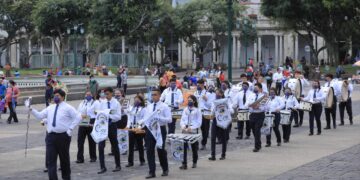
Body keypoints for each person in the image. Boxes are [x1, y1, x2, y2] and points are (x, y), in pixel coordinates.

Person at [29, 89, 83, 180]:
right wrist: (31, 109)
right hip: (51, 137)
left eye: (57, 95)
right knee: (51, 161)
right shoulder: (50, 107)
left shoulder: (68, 107)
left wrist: (70, 129)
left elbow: (78, 117)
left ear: (62, 97)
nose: (55, 97)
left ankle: (66, 177)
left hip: (63, 136)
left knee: (64, 160)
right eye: (54, 96)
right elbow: (39, 116)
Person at [143, 88, 171, 179]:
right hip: (150, 130)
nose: (153, 96)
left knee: (160, 150)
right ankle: (152, 172)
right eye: (152, 95)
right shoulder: (149, 106)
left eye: (155, 94)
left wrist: (159, 118)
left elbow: (169, 119)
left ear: (159, 95)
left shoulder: (164, 106)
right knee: (149, 150)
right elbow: (146, 118)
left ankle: (165, 169)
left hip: (160, 129)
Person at [96, 87, 122, 174]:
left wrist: (108, 115)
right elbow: (99, 113)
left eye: (107, 94)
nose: (106, 96)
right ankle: (102, 167)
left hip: (112, 126)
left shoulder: (116, 103)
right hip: (103, 126)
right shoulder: (102, 103)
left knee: (115, 145)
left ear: (111, 93)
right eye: (105, 94)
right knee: (100, 146)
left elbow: (118, 116)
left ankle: (118, 165)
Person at [208, 89, 233, 160]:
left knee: (224, 137)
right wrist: (215, 109)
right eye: (216, 93)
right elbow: (212, 113)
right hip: (216, 120)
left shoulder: (227, 101)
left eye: (218, 93)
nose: (217, 94)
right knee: (213, 137)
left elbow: (232, 110)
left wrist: (226, 108)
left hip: (224, 120)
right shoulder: (214, 102)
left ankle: (223, 154)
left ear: (221, 94)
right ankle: (213, 155)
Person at [179, 95, 201, 169]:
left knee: (194, 147)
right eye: (188, 100)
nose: (189, 102)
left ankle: (194, 162)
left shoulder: (197, 110)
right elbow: (182, 119)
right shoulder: (185, 109)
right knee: (183, 147)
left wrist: (191, 127)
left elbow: (199, 122)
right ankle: (184, 163)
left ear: (194, 101)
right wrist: (183, 126)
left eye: (190, 101)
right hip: (185, 130)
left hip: (193, 131)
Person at [76, 91, 97, 164]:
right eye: (87, 94)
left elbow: (97, 112)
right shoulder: (82, 103)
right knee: (80, 141)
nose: (88, 96)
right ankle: (80, 158)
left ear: (92, 95)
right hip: (83, 120)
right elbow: (78, 112)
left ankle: (93, 157)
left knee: (91, 141)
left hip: (91, 121)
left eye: (89, 95)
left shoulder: (95, 102)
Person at [194, 79, 215, 150]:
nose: (198, 86)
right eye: (197, 84)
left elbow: (211, 105)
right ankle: (195, 143)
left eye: (199, 84)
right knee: (195, 128)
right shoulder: (195, 93)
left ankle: (204, 143)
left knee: (205, 129)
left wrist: (206, 100)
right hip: (196, 113)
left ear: (203, 84)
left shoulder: (208, 93)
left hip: (205, 113)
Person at [125, 95, 146, 167]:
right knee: (131, 145)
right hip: (132, 128)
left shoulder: (143, 109)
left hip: (139, 128)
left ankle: (142, 160)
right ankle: (130, 162)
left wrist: (139, 127)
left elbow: (144, 119)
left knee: (140, 144)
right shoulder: (132, 108)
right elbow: (129, 117)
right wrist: (128, 126)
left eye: (138, 100)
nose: (136, 101)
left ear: (141, 101)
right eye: (135, 100)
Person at [246, 83, 267, 152]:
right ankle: (259, 142)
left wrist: (259, 107)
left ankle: (256, 146)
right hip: (252, 114)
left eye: (256, 88)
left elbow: (266, 107)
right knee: (254, 130)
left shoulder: (264, 97)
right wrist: (249, 105)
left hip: (260, 114)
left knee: (257, 129)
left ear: (260, 89)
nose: (255, 89)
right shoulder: (251, 95)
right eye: (254, 87)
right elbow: (246, 103)